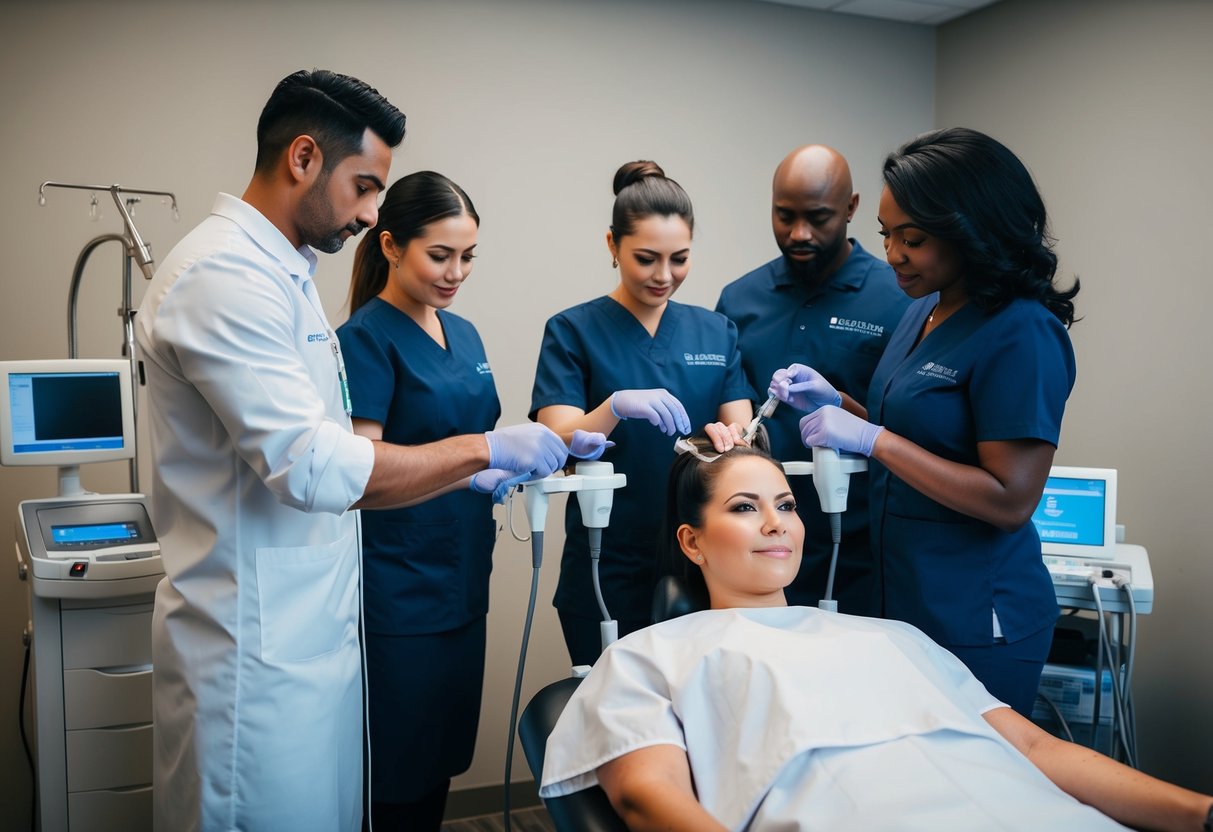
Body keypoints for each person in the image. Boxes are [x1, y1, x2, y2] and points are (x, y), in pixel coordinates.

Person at [136, 71, 569, 832]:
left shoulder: (285, 277)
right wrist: (482, 448)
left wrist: (477, 470)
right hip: (253, 655)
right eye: (364, 186)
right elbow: (314, 465)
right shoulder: (222, 278)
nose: (372, 213)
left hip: (313, 636)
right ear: (303, 157)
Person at [540, 441, 1213, 832]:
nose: (776, 523)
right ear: (691, 540)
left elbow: (1035, 747)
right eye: (744, 508)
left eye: (785, 505)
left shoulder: (891, 637)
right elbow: (645, 796)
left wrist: (1199, 812)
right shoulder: (648, 654)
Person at [770, 127, 1080, 717]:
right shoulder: (923, 312)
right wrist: (837, 406)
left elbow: (1010, 498)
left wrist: (871, 437)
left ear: (971, 229)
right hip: (902, 600)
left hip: (974, 615)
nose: (892, 255)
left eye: (911, 239)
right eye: (887, 235)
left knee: (974, 785)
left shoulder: (1023, 332)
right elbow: (909, 433)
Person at [530, 160, 756, 666]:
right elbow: (555, 442)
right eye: (646, 258)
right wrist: (612, 407)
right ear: (612, 245)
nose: (664, 275)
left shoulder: (716, 332)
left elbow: (744, 432)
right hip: (607, 562)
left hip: (704, 561)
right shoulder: (573, 331)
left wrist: (736, 438)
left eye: (679, 259)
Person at [715, 145, 909, 616]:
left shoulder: (899, 299)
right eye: (784, 216)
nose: (799, 233)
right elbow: (726, 405)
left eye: (817, 217)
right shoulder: (740, 300)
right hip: (758, 547)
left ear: (851, 208)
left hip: (861, 545)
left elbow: (911, 423)